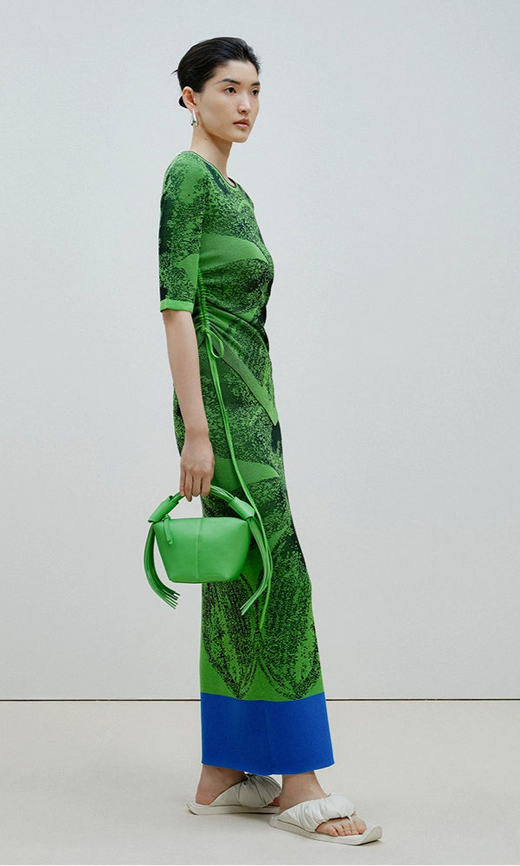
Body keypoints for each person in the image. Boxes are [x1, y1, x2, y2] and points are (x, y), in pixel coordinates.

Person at [158, 36, 382, 846]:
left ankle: (222, 771)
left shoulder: (233, 189)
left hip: (251, 405)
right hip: (220, 408)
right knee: (278, 579)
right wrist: (197, 430)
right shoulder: (187, 178)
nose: (245, 104)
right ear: (190, 96)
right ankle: (298, 781)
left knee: (239, 579)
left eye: (254, 89)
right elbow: (175, 306)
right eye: (227, 88)